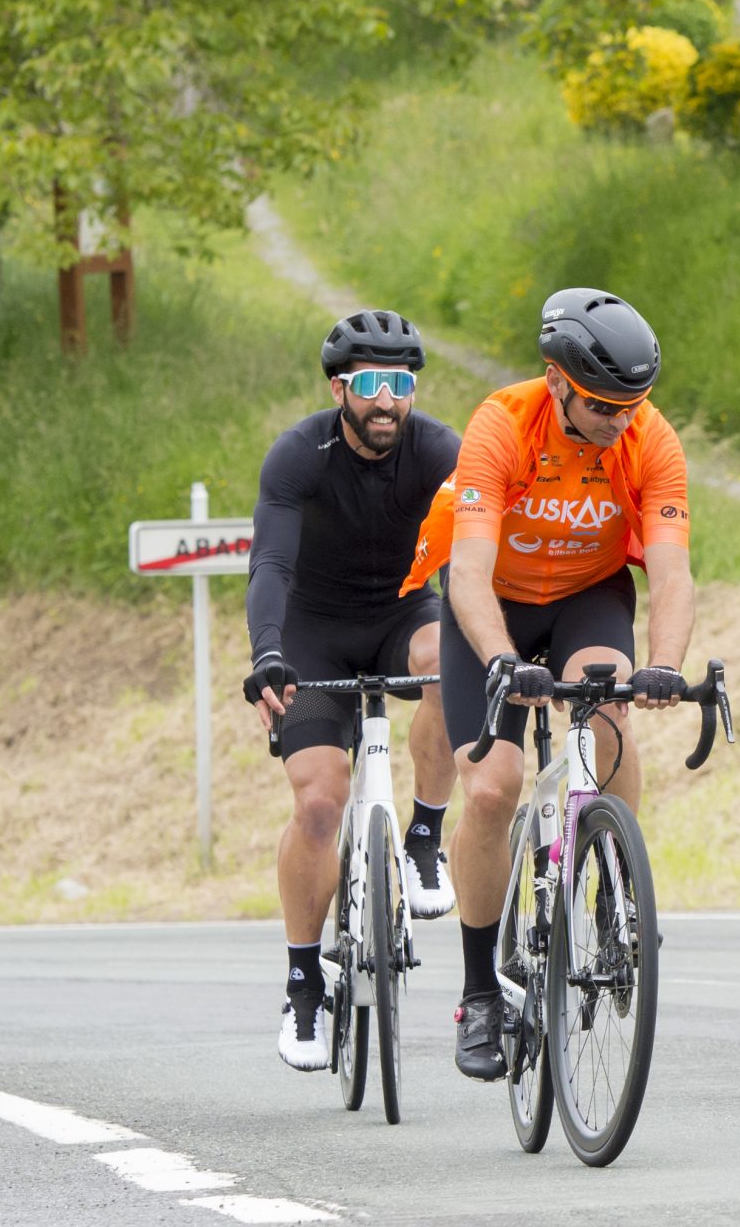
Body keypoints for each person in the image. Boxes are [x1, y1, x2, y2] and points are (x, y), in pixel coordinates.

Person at [409, 288, 694, 1083]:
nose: (619, 419)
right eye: (603, 403)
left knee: (606, 708)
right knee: (495, 788)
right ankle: (479, 995)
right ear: (557, 380)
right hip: (492, 600)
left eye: (632, 403)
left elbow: (671, 570)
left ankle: (616, 887)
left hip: (587, 597)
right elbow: (465, 572)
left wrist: (664, 662)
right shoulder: (503, 422)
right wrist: (500, 657)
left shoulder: (649, 436)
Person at [244, 310, 462, 1071]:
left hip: (405, 611)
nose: (387, 402)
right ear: (340, 388)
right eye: (370, 384)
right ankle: (305, 981)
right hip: (312, 631)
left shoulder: (440, 451)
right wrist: (268, 653)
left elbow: (474, 556)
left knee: (447, 658)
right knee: (318, 803)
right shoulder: (299, 454)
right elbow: (270, 564)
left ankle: (426, 835)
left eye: (400, 384)